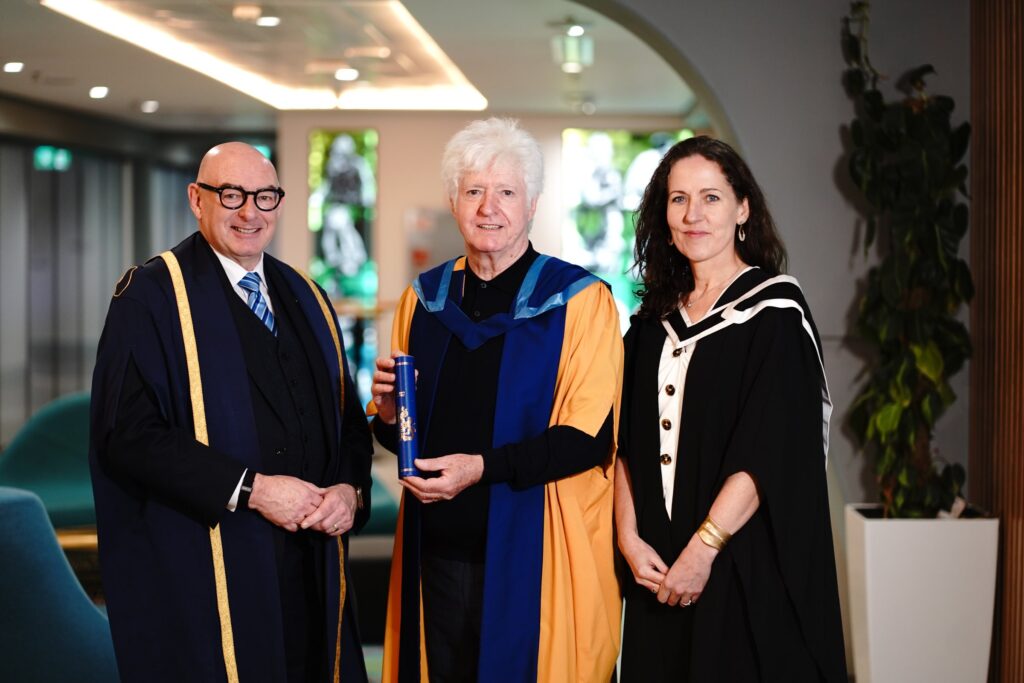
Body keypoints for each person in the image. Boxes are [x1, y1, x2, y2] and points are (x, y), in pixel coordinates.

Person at [89, 142, 373, 683]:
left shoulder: (308, 296)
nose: (250, 212)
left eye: (264, 196)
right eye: (231, 195)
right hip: (211, 556)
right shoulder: (152, 296)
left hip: (310, 558)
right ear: (197, 199)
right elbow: (126, 434)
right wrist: (252, 489)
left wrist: (349, 490)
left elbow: (348, 425)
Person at [370, 118, 622, 683]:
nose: (489, 208)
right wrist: (387, 416)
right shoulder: (424, 300)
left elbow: (586, 440)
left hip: (536, 552)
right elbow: (401, 432)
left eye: (506, 191)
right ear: (453, 202)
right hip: (435, 548)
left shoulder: (579, 302)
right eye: (474, 191)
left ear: (531, 204)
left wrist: (480, 469)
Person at [615, 136, 847, 681]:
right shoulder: (649, 327)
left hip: (740, 566)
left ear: (743, 208)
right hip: (656, 571)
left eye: (711, 198)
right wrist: (628, 538)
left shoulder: (774, 316)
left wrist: (703, 551)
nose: (693, 215)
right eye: (678, 199)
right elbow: (621, 442)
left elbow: (769, 451)